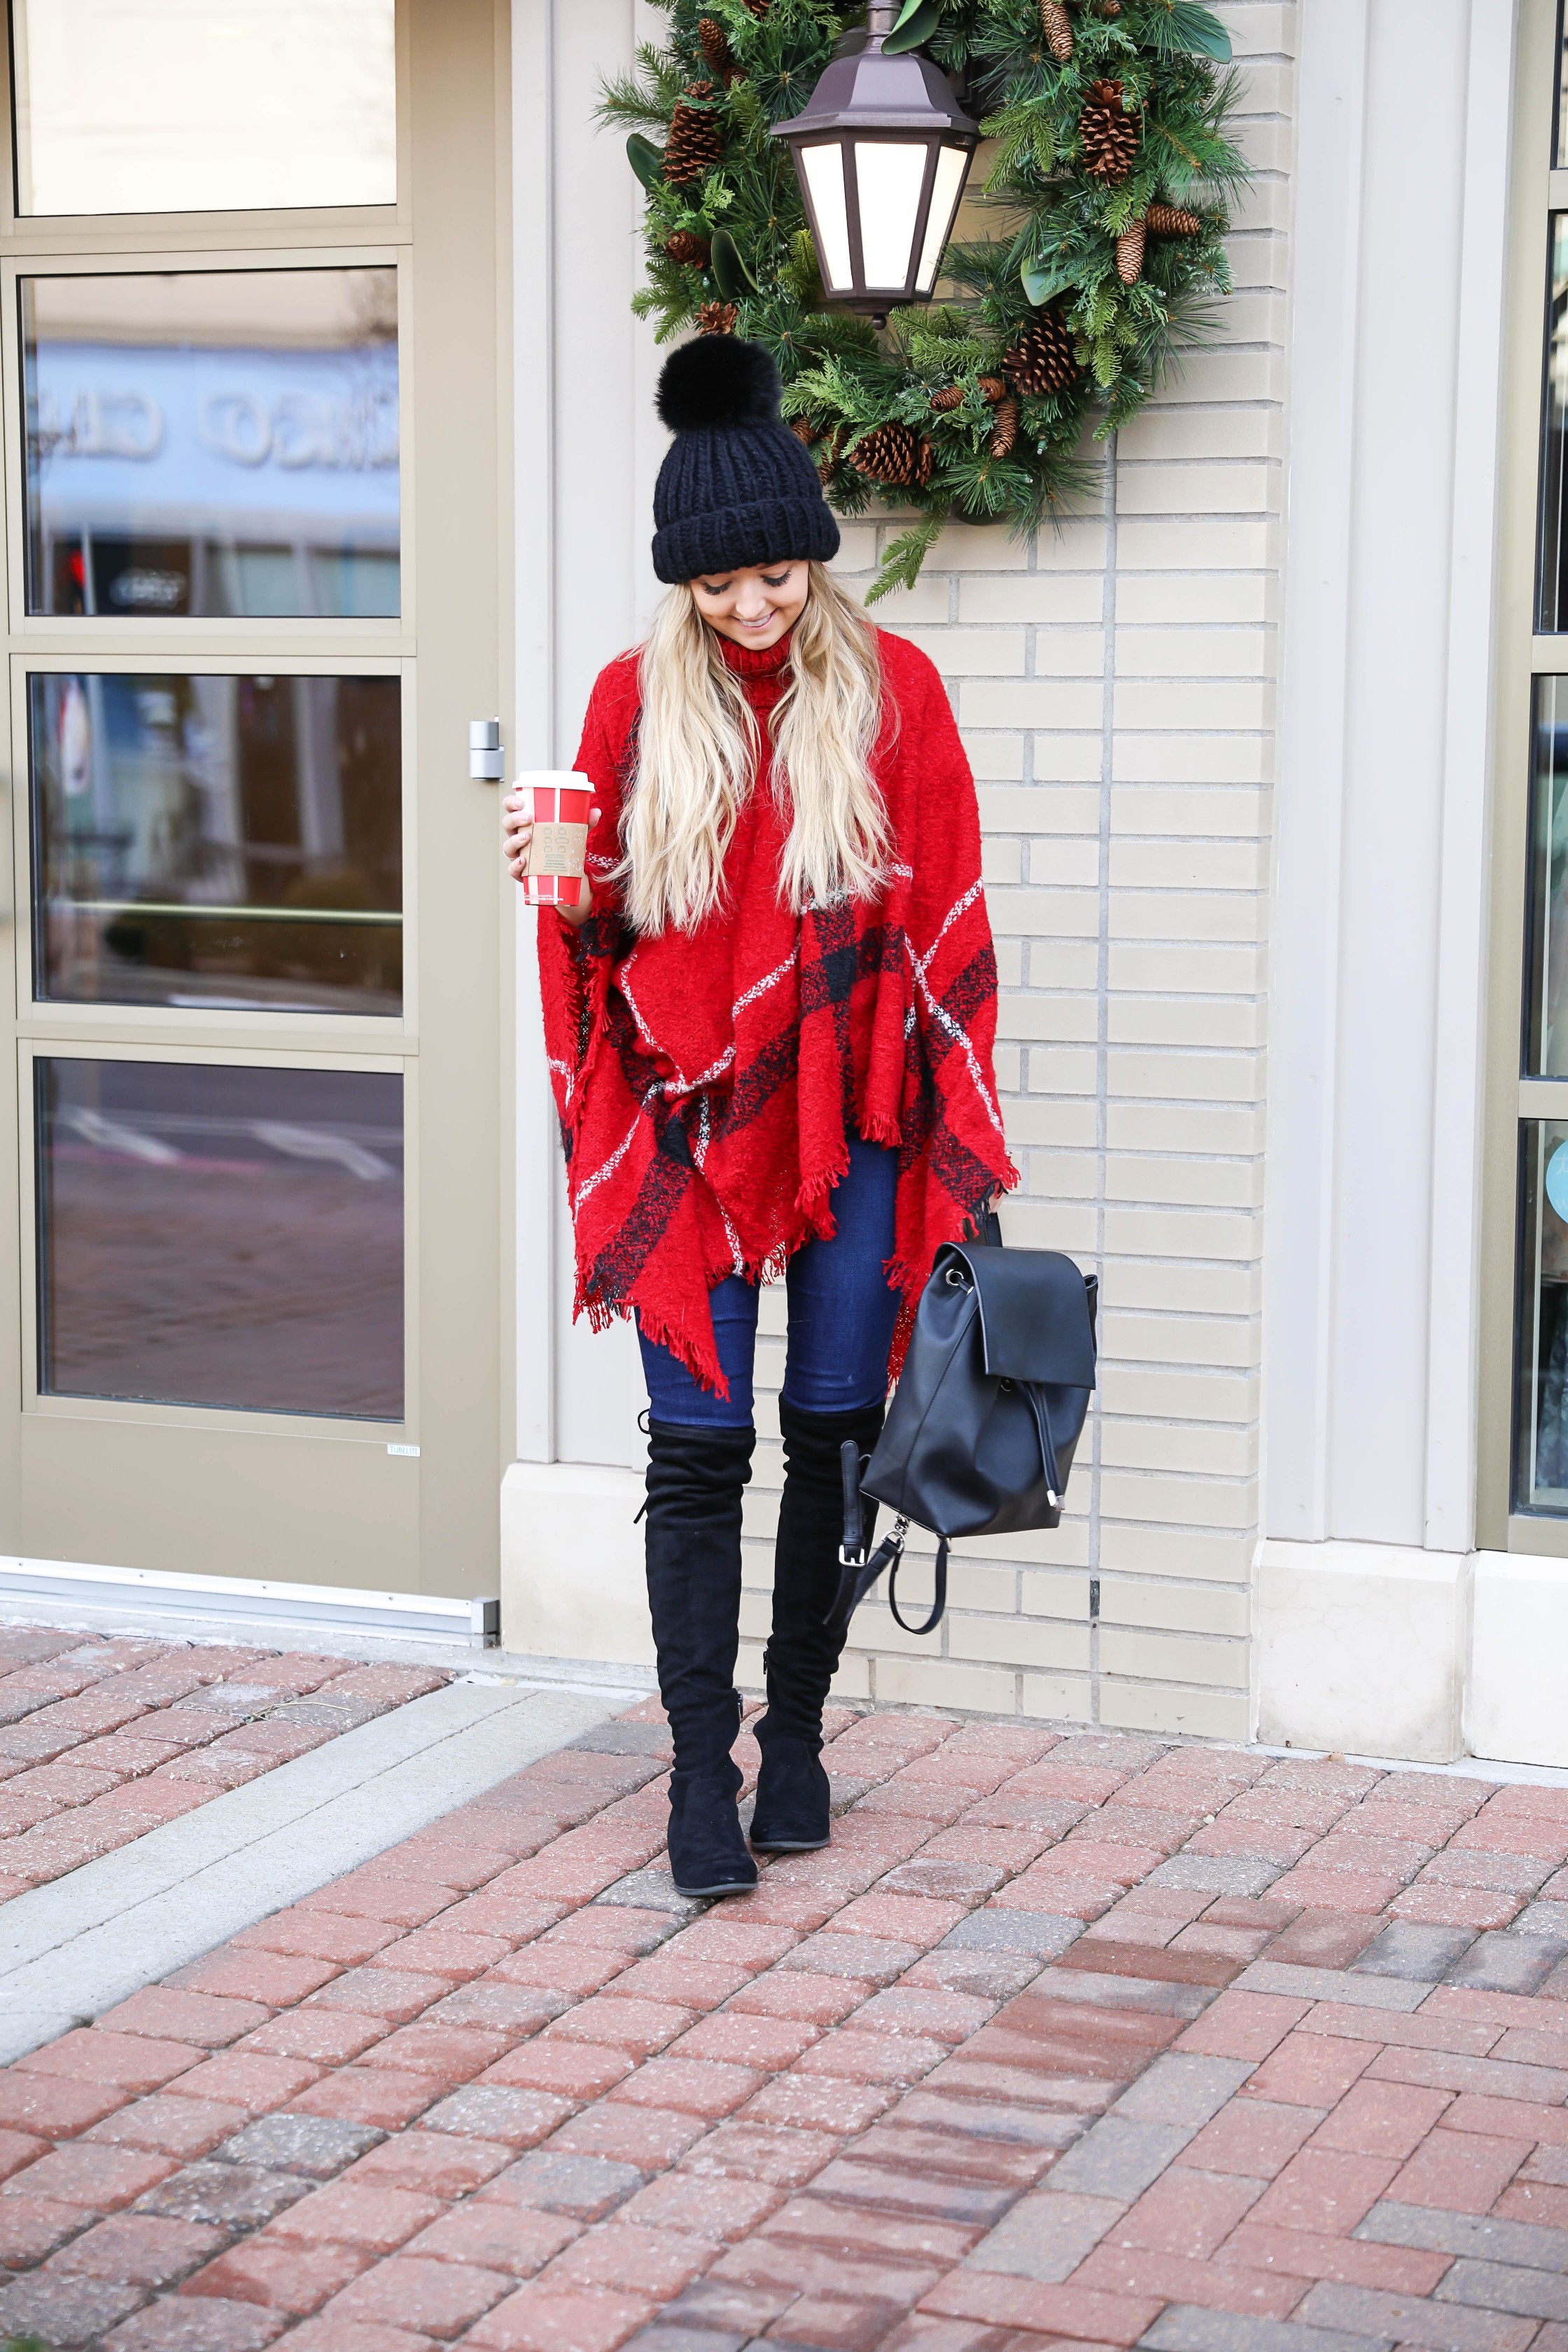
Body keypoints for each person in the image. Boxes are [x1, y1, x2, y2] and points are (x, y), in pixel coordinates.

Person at [505, 335, 1014, 1899]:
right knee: (698, 1447)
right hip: (685, 1115)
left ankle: (794, 1733)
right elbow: (589, 929)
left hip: (854, 1109)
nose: (751, 606)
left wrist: (946, 1129)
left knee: (837, 1430)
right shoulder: (628, 700)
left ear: (811, 552)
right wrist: (557, 877)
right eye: (719, 586)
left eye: (776, 575)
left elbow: (939, 934)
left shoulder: (894, 692)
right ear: (683, 585)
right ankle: (694, 1773)